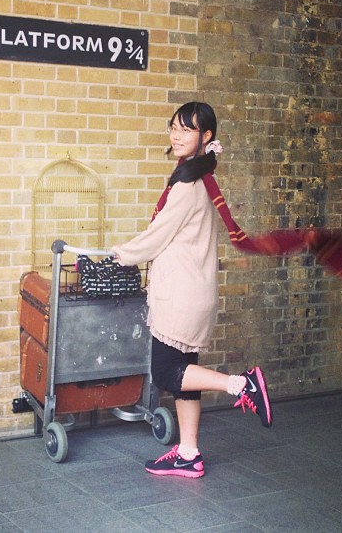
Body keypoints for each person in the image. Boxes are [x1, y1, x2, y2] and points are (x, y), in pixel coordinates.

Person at [111, 101, 272, 479]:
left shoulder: (187, 185)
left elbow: (156, 237)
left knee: (168, 374)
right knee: (186, 375)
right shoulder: (200, 180)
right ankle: (188, 453)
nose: (177, 135)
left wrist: (120, 254)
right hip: (196, 294)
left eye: (187, 129)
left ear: (206, 137)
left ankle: (242, 384)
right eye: (174, 127)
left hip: (180, 296)